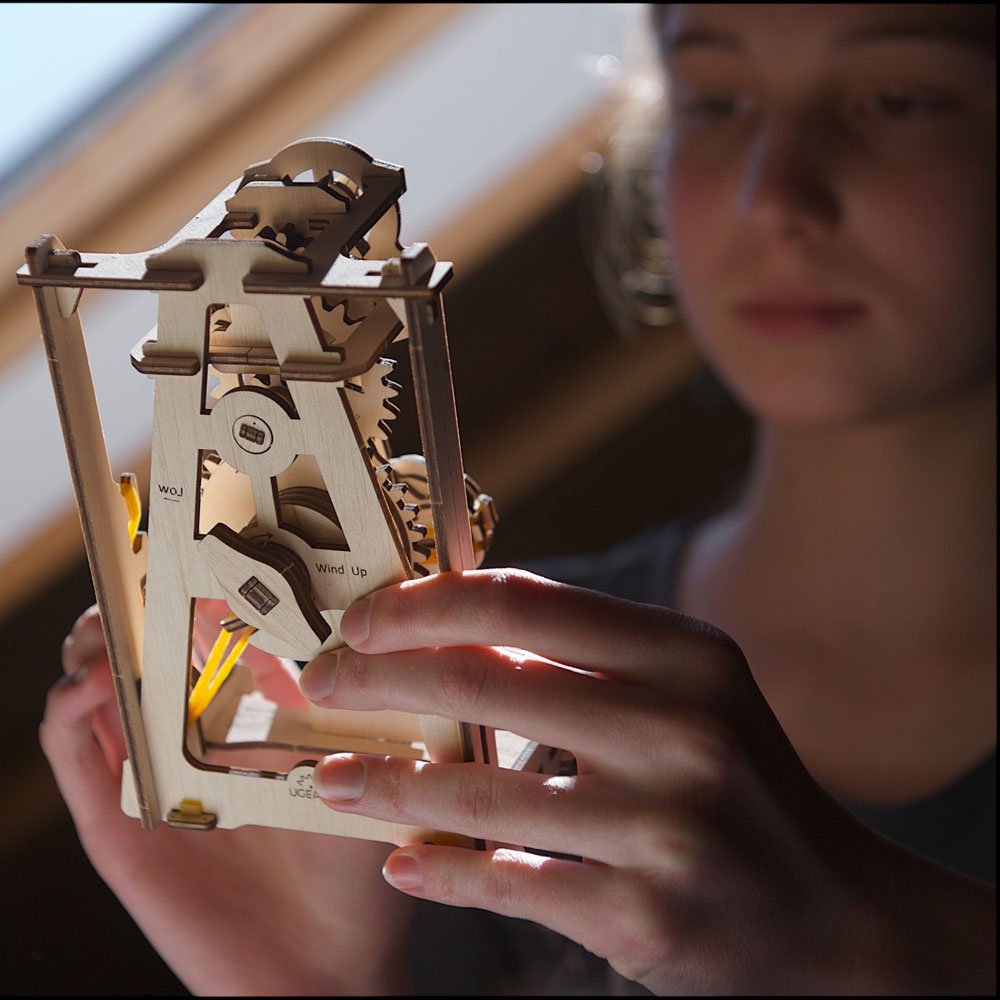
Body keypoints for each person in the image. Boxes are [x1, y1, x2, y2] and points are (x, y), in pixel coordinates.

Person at [42, 3, 995, 994]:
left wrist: (862, 947)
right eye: (716, 99)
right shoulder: (470, 712)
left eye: (898, 101)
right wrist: (314, 985)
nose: (774, 193)